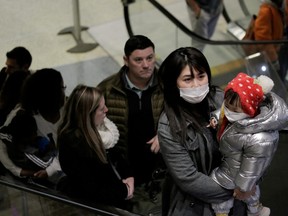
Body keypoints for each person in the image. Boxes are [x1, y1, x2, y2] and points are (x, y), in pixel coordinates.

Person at [157, 47, 247, 216]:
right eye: (188, 79)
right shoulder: (169, 126)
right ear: (173, 83)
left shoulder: (221, 99)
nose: (197, 85)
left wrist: (250, 180)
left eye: (201, 76)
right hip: (197, 205)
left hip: (238, 196)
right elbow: (188, 178)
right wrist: (237, 190)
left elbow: (249, 140)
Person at [97, 35, 164, 215]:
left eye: (150, 58)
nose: (146, 65)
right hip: (126, 172)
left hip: (162, 171)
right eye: (138, 60)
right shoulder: (107, 90)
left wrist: (166, 133)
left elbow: (184, 116)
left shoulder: (168, 84)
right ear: (126, 61)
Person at [209, 73, 288, 216]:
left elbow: (253, 166)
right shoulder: (238, 116)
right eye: (227, 105)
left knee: (241, 195)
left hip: (237, 174)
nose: (228, 111)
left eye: (234, 110)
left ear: (250, 110)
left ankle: (255, 211)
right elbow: (223, 112)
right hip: (229, 163)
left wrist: (243, 188)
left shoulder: (259, 137)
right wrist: (215, 117)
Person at [57, 85, 134, 208]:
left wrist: (129, 176)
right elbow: (91, 188)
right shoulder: (74, 144)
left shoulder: (101, 129)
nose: (107, 110)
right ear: (87, 114)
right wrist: (124, 191)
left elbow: (117, 155)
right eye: (102, 109)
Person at [0, 68, 65, 184]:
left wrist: (51, 170)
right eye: (61, 88)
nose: (64, 92)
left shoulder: (68, 109)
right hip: (43, 182)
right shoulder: (21, 115)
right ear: (48, 94)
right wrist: (21, 172)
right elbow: (2, 147)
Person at [253, 0, 285, 76]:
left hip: (281, 48)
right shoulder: (266, 10)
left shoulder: (282, 4)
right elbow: (263, 39)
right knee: (277, 78)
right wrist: (273, 60)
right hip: (273, 55)